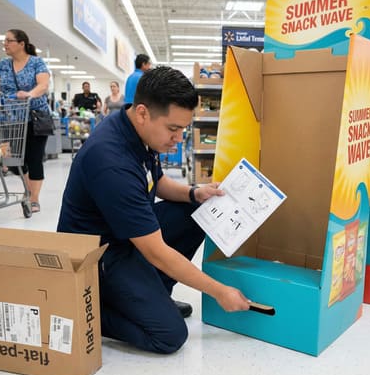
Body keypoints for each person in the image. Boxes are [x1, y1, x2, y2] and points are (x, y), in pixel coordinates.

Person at [57, 66, 250, 354]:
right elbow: (155, 251)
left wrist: (195, 193)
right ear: (144, 112)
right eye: (173, 129)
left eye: (183, 128)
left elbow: (155, 180)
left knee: (196, 211)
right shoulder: (111, 161)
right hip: (98, 257)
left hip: (125, 237)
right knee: (169, 335)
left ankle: (152, 293)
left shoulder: (135, 128)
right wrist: (219, 291)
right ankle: (93, 310)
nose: (178, 137)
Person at [0, 29, 50, 214]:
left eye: (9, 41)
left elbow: (43, 85)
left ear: (21, 44)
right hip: (12, 119)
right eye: (4, 41)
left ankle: (33, 199)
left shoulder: (36, 63)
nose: (5, 44)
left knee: (34, 159)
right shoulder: (2, 64)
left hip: (35, 116)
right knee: (14, 160)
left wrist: (30, 94)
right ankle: (28, 190)